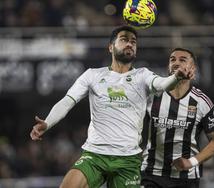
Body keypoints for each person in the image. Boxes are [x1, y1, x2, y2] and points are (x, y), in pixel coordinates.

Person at [30, 26, 193, 188]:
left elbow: (163, 84)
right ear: (110, 47)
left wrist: (176, 77)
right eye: (124, 39)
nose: (129, 44)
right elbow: (68, 100)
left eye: (133, 42)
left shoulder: (143, 75)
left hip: (128, 159)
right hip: (95, 155)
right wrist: (47, 122)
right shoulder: (92, 75)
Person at [140, 48, 214, 188]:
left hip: (186, 178)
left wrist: (191, 162)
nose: (176, 63)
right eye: (172, 60)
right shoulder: (152, 96)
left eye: (182, 60)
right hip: (151, 174)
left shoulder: (202, 102)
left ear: (193, 68)